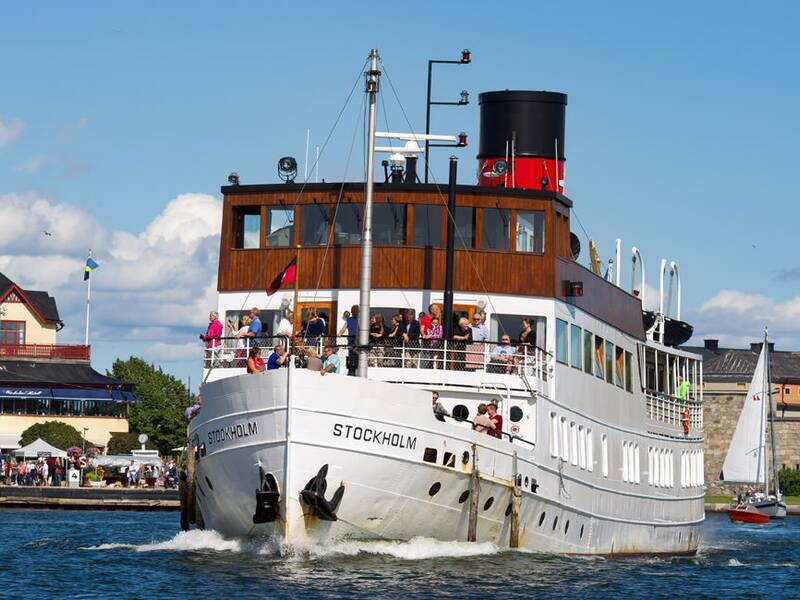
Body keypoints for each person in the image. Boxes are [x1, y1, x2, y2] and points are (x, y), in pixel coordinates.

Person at [337, 305, 359, 376]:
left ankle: (357, 368)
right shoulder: (349, 319)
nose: (353, 312)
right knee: (351, 354)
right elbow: (344, 328)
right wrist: (340, 333)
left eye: (355, 311)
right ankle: (351, 369)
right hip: (351, 340)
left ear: (359, 311)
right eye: (353, 311)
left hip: (359, 340)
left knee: (358, 354)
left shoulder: (362, 319)